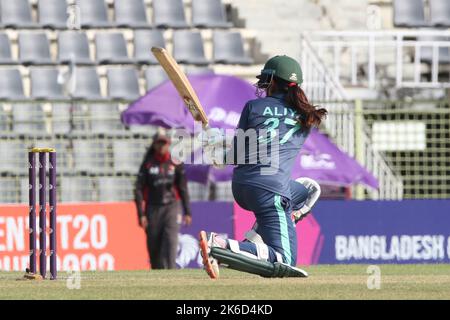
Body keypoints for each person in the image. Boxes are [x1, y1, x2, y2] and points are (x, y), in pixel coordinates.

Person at [199, 55, 327, 279]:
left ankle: (263, 235)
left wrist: (217, 150)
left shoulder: (253, 106)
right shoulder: (307, 117)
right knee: (285, 261)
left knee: (308, 189)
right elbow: (273, 139)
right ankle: (219, 245)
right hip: (271, 192)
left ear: (273, 81)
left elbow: (239, 154)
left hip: (243, 187)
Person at [135, 132, 192, 269]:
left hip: (172, 207)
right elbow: (138, 189)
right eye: (159, 143)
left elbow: (183, 188)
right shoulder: (147, 164)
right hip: (153, 208)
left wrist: (187, 211)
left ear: (168, 144)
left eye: (164, 143)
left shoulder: (175, 162)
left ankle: (172, 272)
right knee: (154, 245)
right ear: (154, 145)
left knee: (171, 241)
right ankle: (157, 273)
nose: (161, 146)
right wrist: (141, 214)